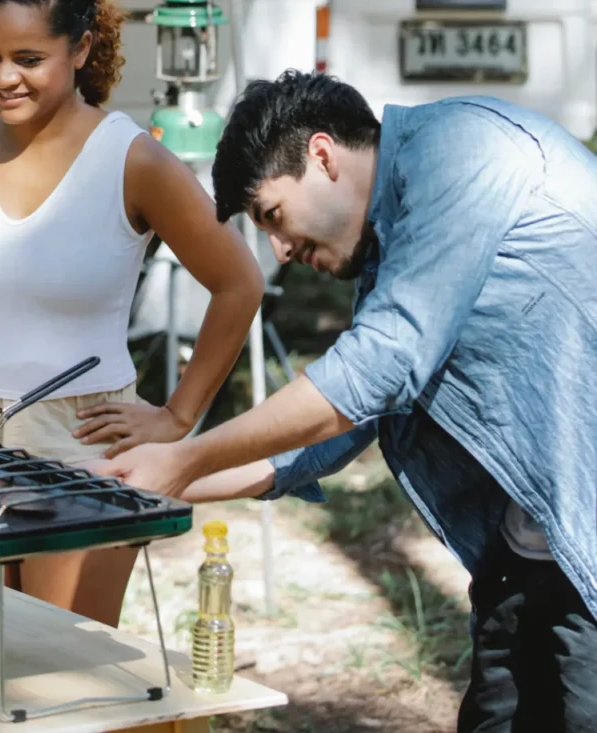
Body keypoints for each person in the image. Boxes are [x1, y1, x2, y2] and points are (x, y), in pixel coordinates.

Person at [95, 69, 597, 729]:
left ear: (322, 155)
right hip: (528, 553)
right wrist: (151, 481)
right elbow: (327, 435)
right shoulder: (398, 242)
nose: (279, 248)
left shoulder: (463, 152)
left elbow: (378, 367)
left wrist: (186, 458)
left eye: (273, 216)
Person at [0, 0, 263, 627]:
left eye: (28, 59)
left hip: (82, 445)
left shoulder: (131, 159)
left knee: (64, 672)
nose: (3, 77)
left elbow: (238, 283)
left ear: (82, 50)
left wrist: (178, 415)